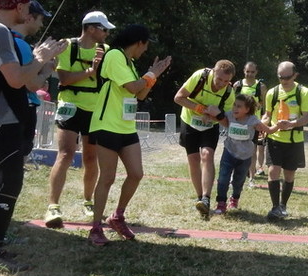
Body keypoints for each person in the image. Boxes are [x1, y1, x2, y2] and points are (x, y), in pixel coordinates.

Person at [0, 0, 66, 273]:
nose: (28, 12)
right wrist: (40, 58)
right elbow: (15, 80)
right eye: (25, 5)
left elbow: (26, 81)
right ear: (19, 7)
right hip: (3, 118)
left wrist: (42, 63)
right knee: (8, 183)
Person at [86, 24, 171, 246]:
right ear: (139, 42)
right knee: (107, 177)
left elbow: (140, 93)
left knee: (136, 173)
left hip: (125, 126)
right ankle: (95, 228)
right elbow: (134, 87)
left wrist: (154, 76)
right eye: (145, 46)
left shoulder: (130, 63)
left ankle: (117, 217)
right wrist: (151, 73)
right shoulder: (114, 55)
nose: (145, 51)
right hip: (107, 125)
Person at [45, 11, 114, 228]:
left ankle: (88, 201)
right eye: (104, 29)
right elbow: (64, 77)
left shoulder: (107, 51)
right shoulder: (67, 45)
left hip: (95, 109)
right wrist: (89, 71)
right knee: (65, 154)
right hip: (70, 107)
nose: (107, 33)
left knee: (91, 158)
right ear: (91, 28)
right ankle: (53, 206)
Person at [173, 59, 236, 220]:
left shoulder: (229, 93)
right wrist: (201, 110)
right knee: (193, 159)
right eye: (219, 79)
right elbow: (179, 98)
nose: (221, 83)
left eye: (226, 81)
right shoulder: (200, 76)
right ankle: (200, 197)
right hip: (189, 121)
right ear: (214, 72)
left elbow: (228, 122)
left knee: (207, 155)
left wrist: (217, 115)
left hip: (210, 126)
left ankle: (206, 199)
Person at [213, 94, 281, 214]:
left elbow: (268, 130)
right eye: (234, 105)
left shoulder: (252, 120)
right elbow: (217, 118)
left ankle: (234, 198)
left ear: (247, 109)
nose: (235, 108)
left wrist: (279, 126)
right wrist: (207, 116)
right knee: (223, 178)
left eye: (239, 106)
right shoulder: (229, 115)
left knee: (238, 181)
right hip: (229, 152)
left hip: (245, 156)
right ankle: (221, 203)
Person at [262, 61, 308, 220]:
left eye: (287, 77)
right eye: (280, 77)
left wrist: (291, 124)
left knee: (289, 175)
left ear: (295, 75)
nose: (283, 80)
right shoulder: (272, 93)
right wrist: (263, 124)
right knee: (273, 171)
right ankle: (275, 207)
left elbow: (306, 117)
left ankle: (283, 205)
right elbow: (267, 115)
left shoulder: (303, 92)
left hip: (294, 140)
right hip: (274, 138)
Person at [9, 0, 52, 157]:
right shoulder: (21, 44)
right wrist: (47, 69)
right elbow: (32, 85)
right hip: (22, 110)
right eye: (40, 19)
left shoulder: (11, 41)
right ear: (29, 18)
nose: (41, 25)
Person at [232, 61, 267, 189]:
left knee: (252, 152)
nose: (250, 74)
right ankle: (233, 178)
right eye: (248, 71)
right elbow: (232, 103)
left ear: (256, 72)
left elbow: (265, 106)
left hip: (253, 124)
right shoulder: (237, 85)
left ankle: (251, 179)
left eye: (252, 72)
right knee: (235, 150)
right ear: (244, 71)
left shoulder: (261, 87)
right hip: (238, 123)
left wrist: (262, 120)